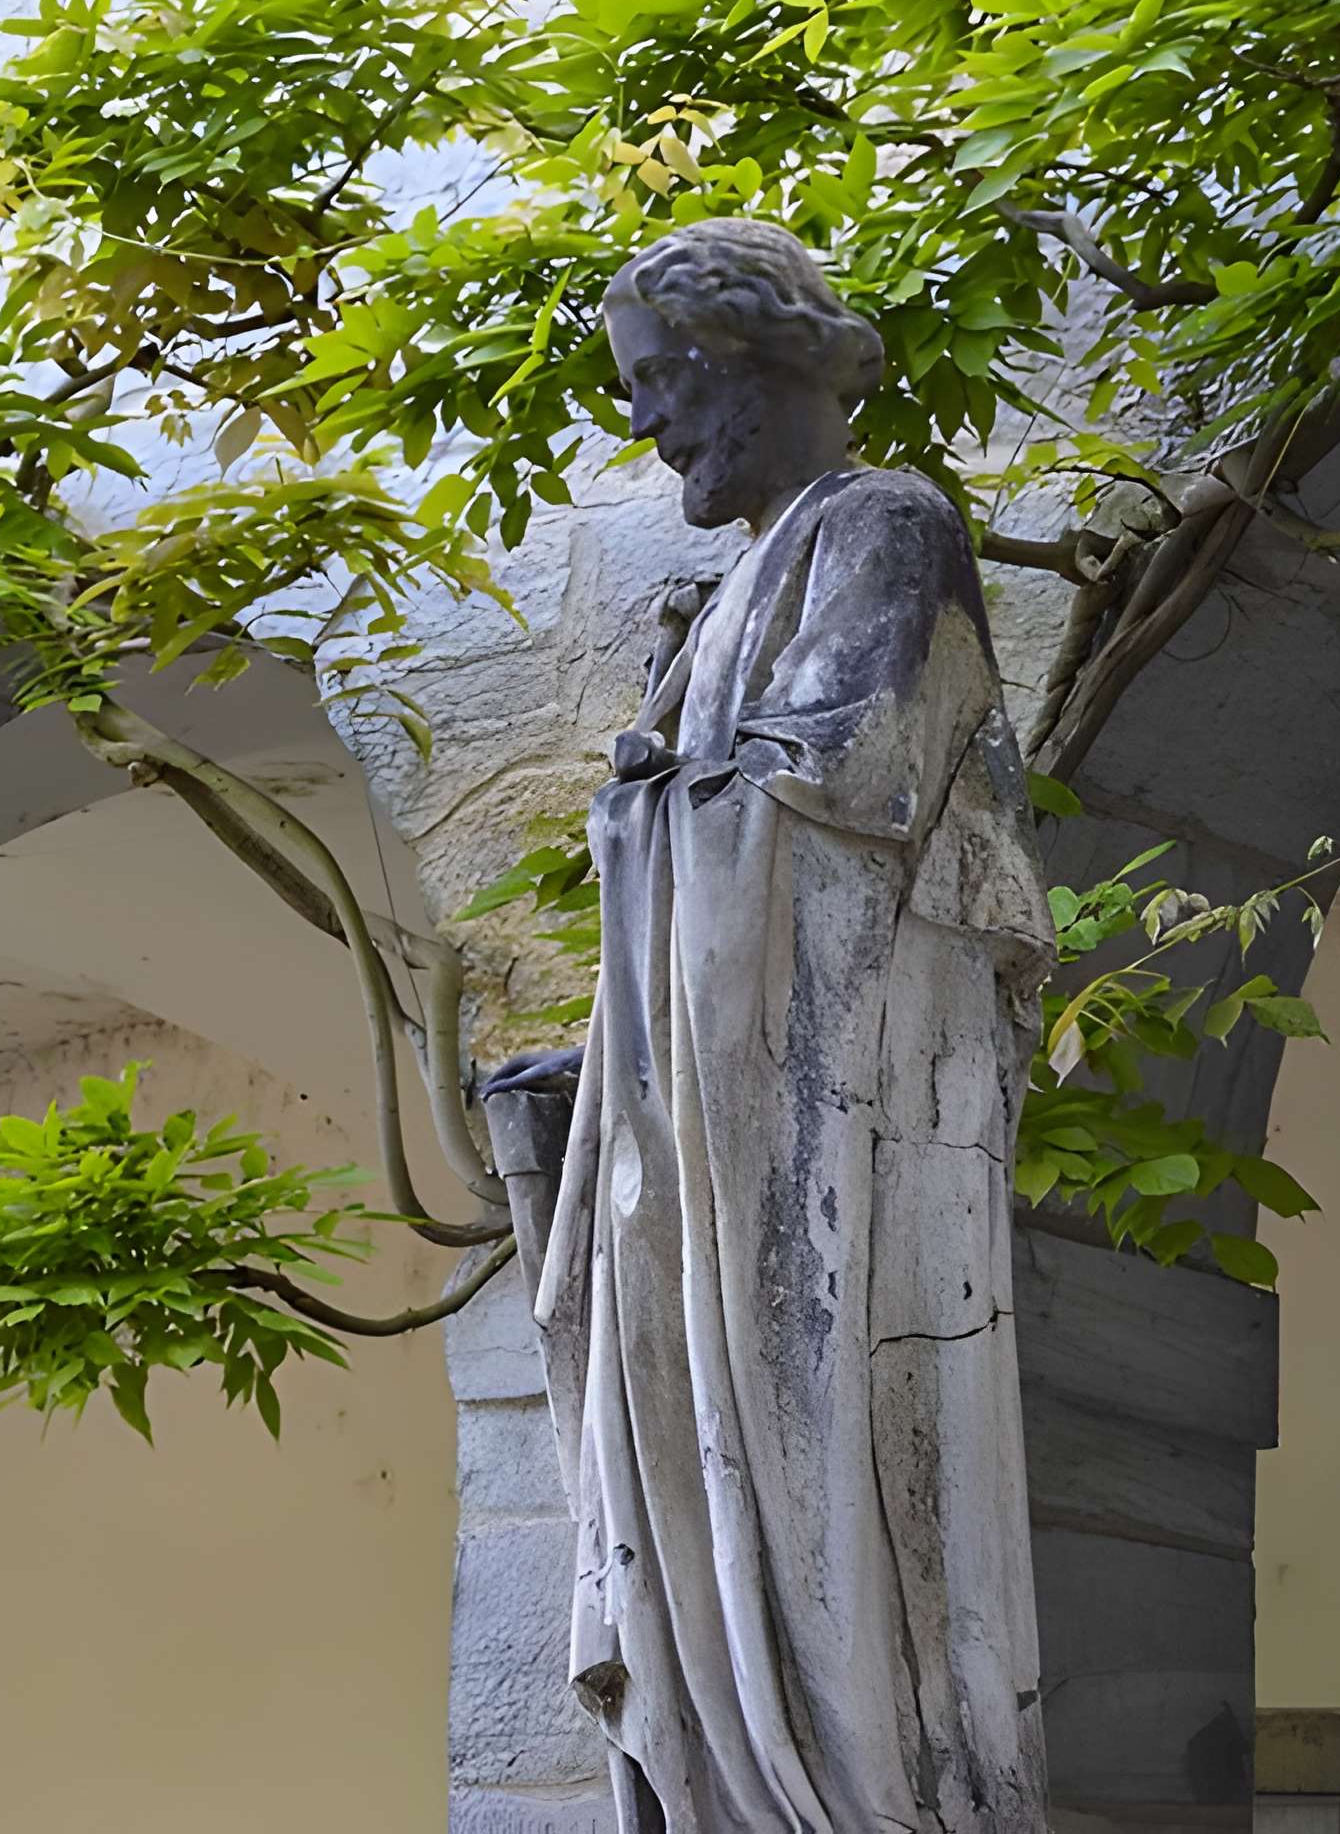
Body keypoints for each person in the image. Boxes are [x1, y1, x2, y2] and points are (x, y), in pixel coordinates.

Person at [494, 219, 1056, 1832]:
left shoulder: (881, 525)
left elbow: (848, 786)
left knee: (828, 1483)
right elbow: (707, 845)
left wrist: (655, 813)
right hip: (719, 1123)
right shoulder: (733, 585)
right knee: (696, 1465)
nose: (651, 422)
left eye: (666, 380)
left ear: (759, 361)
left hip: (838, 1122)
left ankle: (846, 1785)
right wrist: (609, 1067)